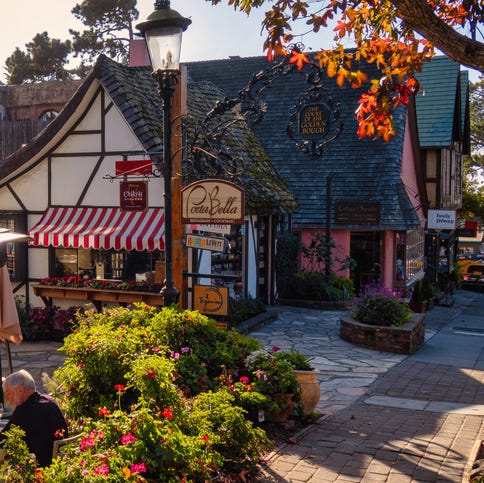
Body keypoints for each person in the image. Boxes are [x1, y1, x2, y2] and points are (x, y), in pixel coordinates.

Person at [0, 370, 68, 467]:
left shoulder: (24, 411)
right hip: (58, 463)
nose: (7, 398)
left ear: (20, 390)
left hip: (39, 469)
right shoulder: (50, 400)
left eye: (8, 393)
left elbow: (2, 441)